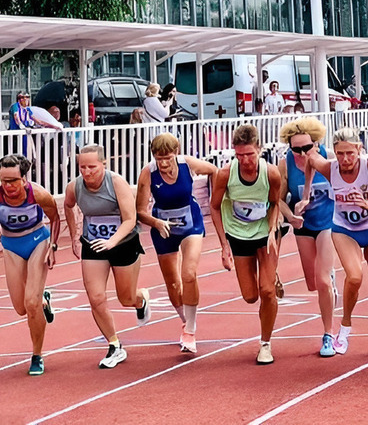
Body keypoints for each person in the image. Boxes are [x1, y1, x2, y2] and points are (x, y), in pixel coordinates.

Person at [298, 127, 368, 356]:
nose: (345, 159)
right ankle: (344, 328)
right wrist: (306, 195)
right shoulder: (330, 167)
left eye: (350, 153)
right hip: (344, 229)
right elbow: (311, 159)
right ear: (334, 152)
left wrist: (367, 204)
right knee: (354, 276)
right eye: (340, 153)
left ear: (359, 149)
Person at [63, 144, 150, 369]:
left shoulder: (116, 183)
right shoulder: (75, 186)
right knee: (96, 297)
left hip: (123, 243)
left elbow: (130, 219)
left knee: (126, 298)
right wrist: (74, 235)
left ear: (103, 164)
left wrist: (112, 241)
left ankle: (141, 299)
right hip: (93, 244)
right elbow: (68, 205)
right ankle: (114, 345)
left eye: (92, 166)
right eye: (82, 167)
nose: (87, 172)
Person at [136, 133, 217, 354]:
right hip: (163, 227)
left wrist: (215, 200)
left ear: (177, 152)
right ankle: (185, 320)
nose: (163, 163)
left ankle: (190, 330)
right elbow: (140, 211)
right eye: (158, 158)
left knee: (189, 273)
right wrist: (155, 222)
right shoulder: (148, 173)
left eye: (167, 158)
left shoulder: (187, 164)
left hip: (191, 222)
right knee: (173, 283)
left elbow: (213, 171)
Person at [210, 124, 282, 365]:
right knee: (250, 296)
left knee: (267, 291)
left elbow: (274, 203)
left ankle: (265, 344)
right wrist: (224, 245)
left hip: (265, 233)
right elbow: (214, 206)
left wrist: (272, 229)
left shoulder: (270, 174)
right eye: (239, 155)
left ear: (259, 150)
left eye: (249, 154)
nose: (245, 160)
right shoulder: (225, 174)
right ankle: (269, 277)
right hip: (239, 234)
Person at [278, 118, 336, 356]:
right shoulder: (285, 164)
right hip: (303, 225)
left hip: (328, 223)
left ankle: (328, 335)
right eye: (296, 149)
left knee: (322, 281)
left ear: (317, 143)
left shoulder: (329, 156)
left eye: (307, 148)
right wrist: (291, 216)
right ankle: (329, 281)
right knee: (313, 283)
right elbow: (278, 199)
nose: (302, 153)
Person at [0, 155, 60, 375]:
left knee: (31, 303)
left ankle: (37, 355)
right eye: (4, 181)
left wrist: (53, 246)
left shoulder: (39, 194)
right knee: (20, 308)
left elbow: (54, 218)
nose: (8, 186)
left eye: (13, 181)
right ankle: (44, 300)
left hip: (37, 242)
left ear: (24, 179)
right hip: (10, 245)